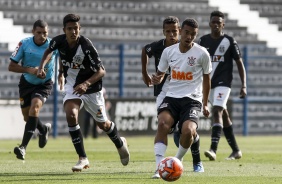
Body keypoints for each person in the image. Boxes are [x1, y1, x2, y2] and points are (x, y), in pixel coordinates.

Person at [37, 14, 129, 172]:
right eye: (70, 28)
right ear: (64, 30)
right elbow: (48, 52)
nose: (73, 31)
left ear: (80, 29)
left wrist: (86, 83)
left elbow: (101, 71)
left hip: (92, 89)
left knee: (103, 124)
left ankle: (120, 143)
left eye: (76, 28)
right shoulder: (58, 41)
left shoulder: (86, 45)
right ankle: (82, 158)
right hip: (72, 86)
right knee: (71, 114)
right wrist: (43, 68)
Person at [141, 16, 205, 178]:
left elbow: (204, 75)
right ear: (163, 32)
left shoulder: (194, 51)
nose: (171, 34)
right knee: (164, 125)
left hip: (189, 96)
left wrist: (204, 102)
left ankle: (195, 160)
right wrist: (148, 75)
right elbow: (146, 52)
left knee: (187, 131)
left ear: (179, 31)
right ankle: (160, 166)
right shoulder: (161, 48)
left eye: (174, 31)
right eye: (168, 31)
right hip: (167, 93)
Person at [198, 10, 247, 161]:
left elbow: (239, 63)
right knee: (224, 115)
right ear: (209, 24)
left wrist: (244, 85)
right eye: (213, 22)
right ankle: (236, 151)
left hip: (224, 83)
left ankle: (213, 149)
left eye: (218, 23)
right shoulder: (202, 41)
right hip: (208, 84)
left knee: (217, 111)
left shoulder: (229, 41)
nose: (216, 25)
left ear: (223, 25)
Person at [8, 20, 56, 160]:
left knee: (35, 108)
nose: (42, 36)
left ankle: (23, 147)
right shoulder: (24, 43)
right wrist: (30, 70)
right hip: (26, 83)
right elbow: (11, 66)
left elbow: (60, 57)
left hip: (44, 83)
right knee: (27, 117)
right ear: (33, 32)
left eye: (45, 33)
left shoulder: (53, 45)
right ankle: (43, 129)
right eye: (39, 32)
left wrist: (60, 74)